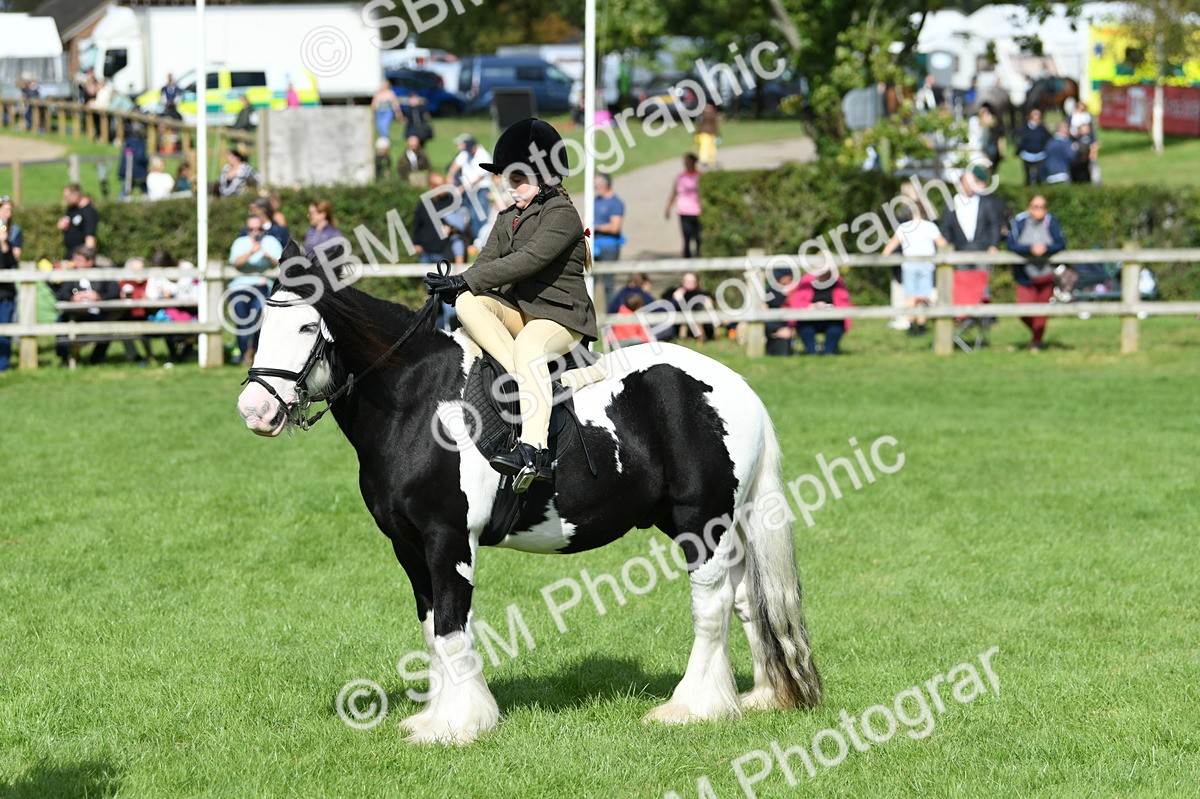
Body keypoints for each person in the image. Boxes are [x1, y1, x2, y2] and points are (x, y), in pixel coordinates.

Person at [422, 118, 598, 492]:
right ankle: (523, 378)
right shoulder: (507, 219)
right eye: (507, 180)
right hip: (522, 313)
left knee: (531, 343)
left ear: (544, 174)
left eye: (517, 180)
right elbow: (486, 264)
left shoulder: (562, 215)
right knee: (469, 303)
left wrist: (466, 279)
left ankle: (534, 451)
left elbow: (529, 260)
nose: (509, 188)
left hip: (562, 318)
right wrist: (454, 285)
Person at [1007, 195, 1066, 352]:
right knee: (1023, 310)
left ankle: (1036, 343)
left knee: (1042, 311)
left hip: (1045, 274)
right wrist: (1030, 249)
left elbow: (1061, 243)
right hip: (1025, 275)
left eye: (1042, 207)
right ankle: (1037, 334)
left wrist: (1045, 249)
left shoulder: (1051, 223)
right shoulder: (1019, 223)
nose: (1038, 210)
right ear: (1028, 208)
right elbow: (1011, 244)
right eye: (1035, 206)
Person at [881, 202, 947, 336]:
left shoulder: (904, 227)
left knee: (910, 295)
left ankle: (911, 325)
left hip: (909, 265)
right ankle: (921, 326)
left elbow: (891, 245)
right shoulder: (930, 226)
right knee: (923, 296)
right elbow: (943, 244)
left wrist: (883, 257)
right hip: (927, 265)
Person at [228, 214, 282, 365]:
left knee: (261, 321)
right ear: (247, 229)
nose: (255, 232)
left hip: (262, 287)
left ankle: (257, 353)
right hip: (239, 288)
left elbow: (279, 263)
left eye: (258, 229)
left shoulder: (271, 242)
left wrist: (267, 256)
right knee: (243, 323)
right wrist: (251, 252)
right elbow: (236, 262)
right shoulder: (240, 242)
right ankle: (245, 354)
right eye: (251, 229)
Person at [52, 246, 120, 366]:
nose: (75, 263)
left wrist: (99, 297)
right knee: (60, 321)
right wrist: (72, 298)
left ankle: (95, 360)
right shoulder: (71, 275)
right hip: (76, 313)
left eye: (79, 260)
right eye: (75, 259)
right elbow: (62, 293)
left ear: (90, 261)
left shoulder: (103, 273)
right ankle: (64, 359)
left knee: (109, 326)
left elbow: (114, 292)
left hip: (98, 313)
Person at [939, 166, 1007, 272]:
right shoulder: (951, 204)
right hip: (960, 251)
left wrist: (993, 244)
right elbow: (946, 227)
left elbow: (994, 224)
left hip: (983, 251)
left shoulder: (986, 202)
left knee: (983, 284)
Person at [786, 267, 853, 355]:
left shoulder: (837, 282)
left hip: (831, 319)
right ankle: (812, 351)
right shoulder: (806, 281)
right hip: (809, 318)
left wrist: (832, 308)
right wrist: (810, 306)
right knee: (805, 327)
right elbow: (795, 302)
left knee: (836, 327)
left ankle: (828, 352)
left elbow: (844, 303)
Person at [447, 134, 493, 245]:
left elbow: (479, 177)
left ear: (474, 146)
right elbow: (456, 165)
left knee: (480, 216)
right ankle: (474, 240)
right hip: (468, 191)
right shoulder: (465, 153)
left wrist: (462, 188)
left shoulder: (483, 156)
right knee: (469, 216)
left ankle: (483, 241)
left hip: (480, 190)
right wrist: (450, 176)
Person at [592, 172, 625, 299]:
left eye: (595, 183)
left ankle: (610, 315)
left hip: (609, 247)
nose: (593, 186)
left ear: (603, 184)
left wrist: (594, 226)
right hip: (593, 246)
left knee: (609, 284)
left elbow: (615, 227)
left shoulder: (616, 203)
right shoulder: (595, 201)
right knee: (590, 282)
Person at [665, 153, 702, 258]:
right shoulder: (680, 177)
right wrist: (668, 207)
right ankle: (687, 263)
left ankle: (700, 259)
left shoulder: (699, 176)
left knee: (699, 238)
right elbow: (674, 192)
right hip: (684, 211)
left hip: (697, 211)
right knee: (686, 238)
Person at [663, 271, 714, 342]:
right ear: (683, 282)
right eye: (687, 281)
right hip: (680, 319)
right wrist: (674, 297)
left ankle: (701, 338)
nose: (689, 283)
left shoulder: (701, 293)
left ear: (696, 282)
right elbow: (666, 302)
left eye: (692, 281)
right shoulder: (676, 292)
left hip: (698, 318)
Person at [0, 195, 20, 371]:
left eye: (9, 210)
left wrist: (4, 242)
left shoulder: (14, 231)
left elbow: (12, 262)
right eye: (3, 209)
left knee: (5, 329)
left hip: (5, 290)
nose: (7, 213)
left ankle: (3, 366)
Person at [59, 184, 99, 258]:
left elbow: (90, 237)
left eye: (67, 198)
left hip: (81, 257)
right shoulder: (72, 209)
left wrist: (86, 257)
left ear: (76, 195)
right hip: (70, 253)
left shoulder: (88, 211)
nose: (66, 200)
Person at [1017, 108, 1051, 186]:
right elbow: (1020, 140)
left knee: (1039, 177)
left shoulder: (1042, 128)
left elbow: (1048, 139)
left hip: (1040, 155)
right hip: (1027, 155)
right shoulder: (1024, 127)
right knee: (1028, 178)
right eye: (1035, 114)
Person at [695, 102, 720, 168]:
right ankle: (710, 160)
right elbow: (716, 125)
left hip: (704, 133)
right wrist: (718, 134)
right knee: (711, 147)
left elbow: (699, 124)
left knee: (705, 147)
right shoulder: (714, 114)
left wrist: (697, 133)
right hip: (711, 133)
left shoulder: (702, 114)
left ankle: (704, 160)